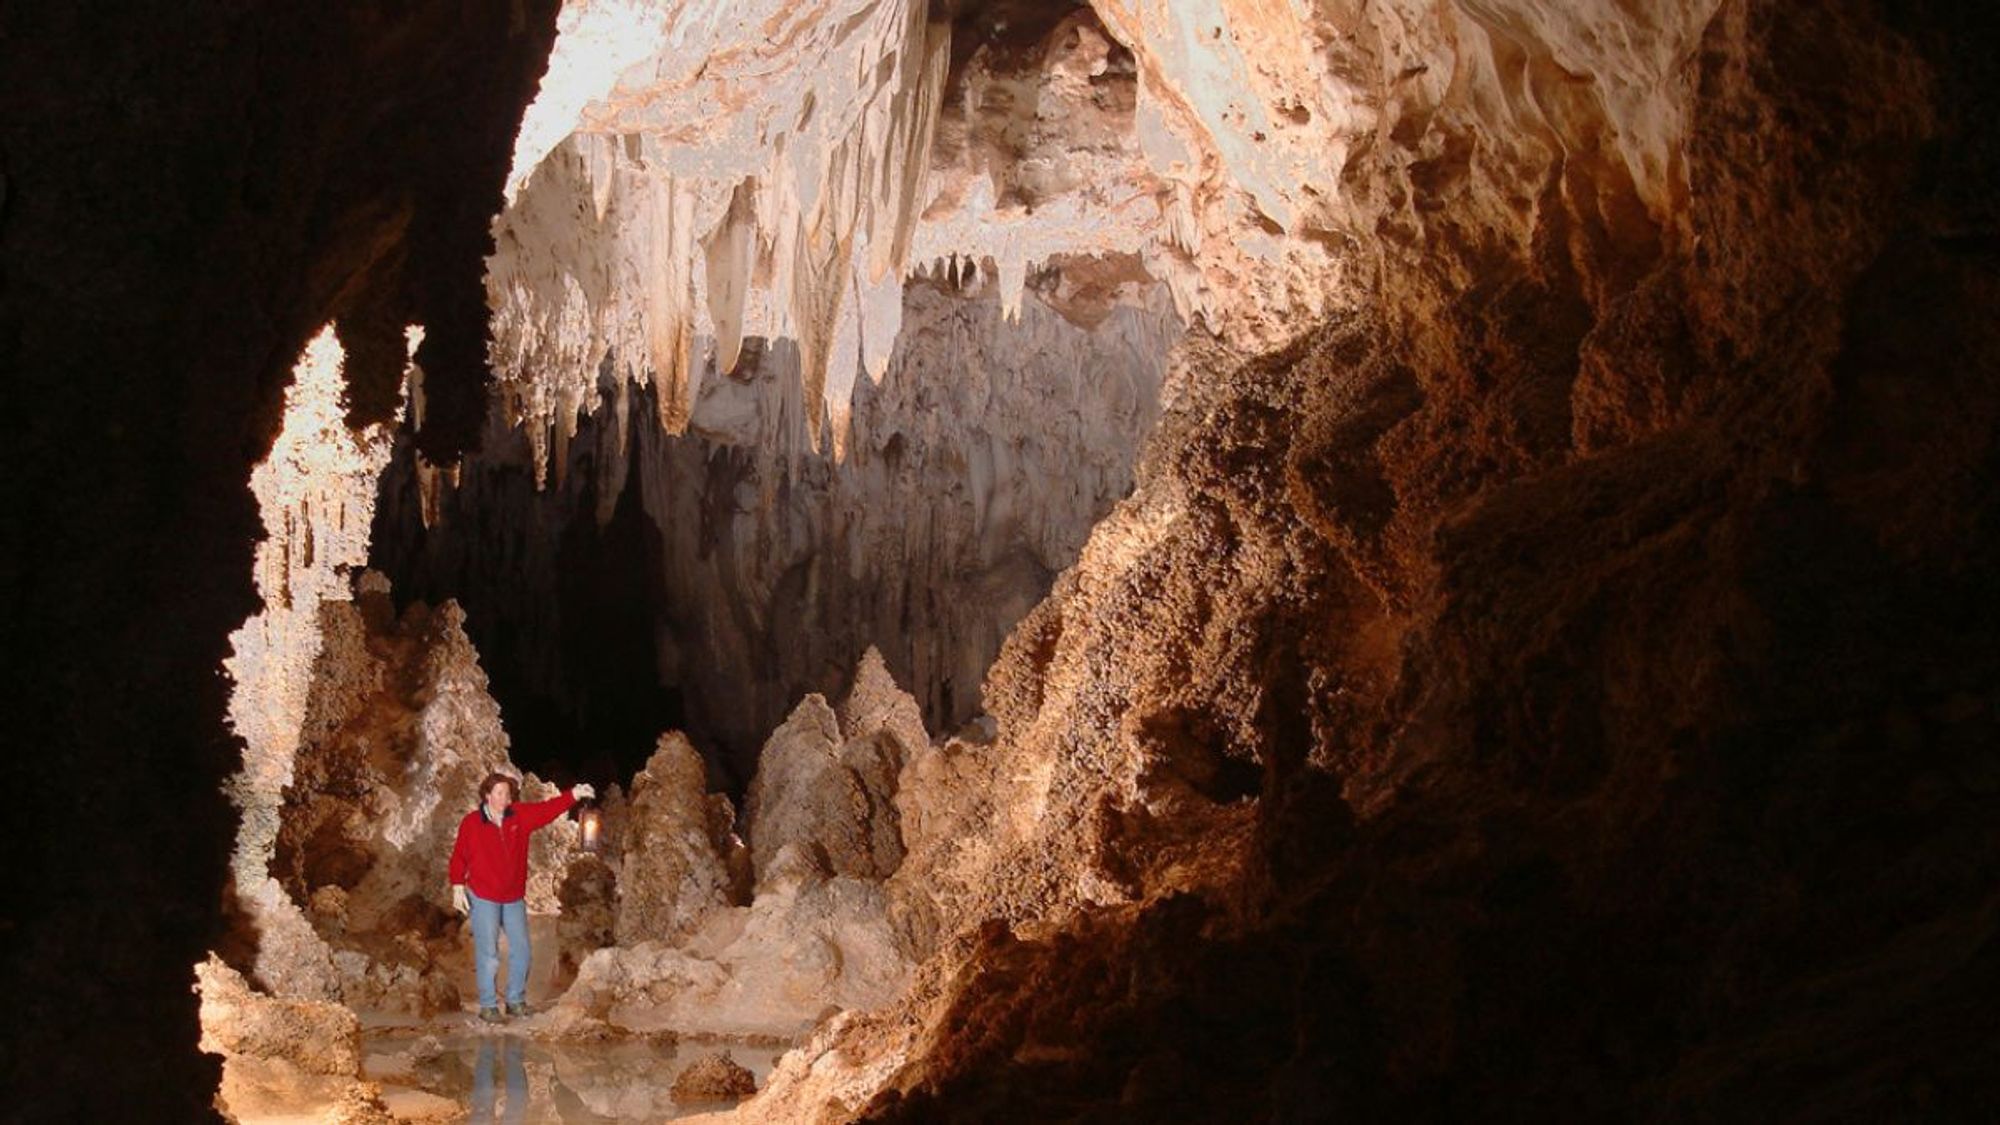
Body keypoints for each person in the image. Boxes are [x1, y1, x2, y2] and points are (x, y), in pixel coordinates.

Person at [448, 772, 595, 1022]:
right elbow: (460, 855)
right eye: (499, 793)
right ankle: (488, 1005)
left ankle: (515, 1000)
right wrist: (457, 885)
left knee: (523, 950)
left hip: (513, 896)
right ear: (487, 795)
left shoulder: (519, 816)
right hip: (484, 895)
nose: (504, 798)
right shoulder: (472, 823)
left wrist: (573, 794)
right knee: (488, 953)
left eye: (507, 793)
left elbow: (547, 809)